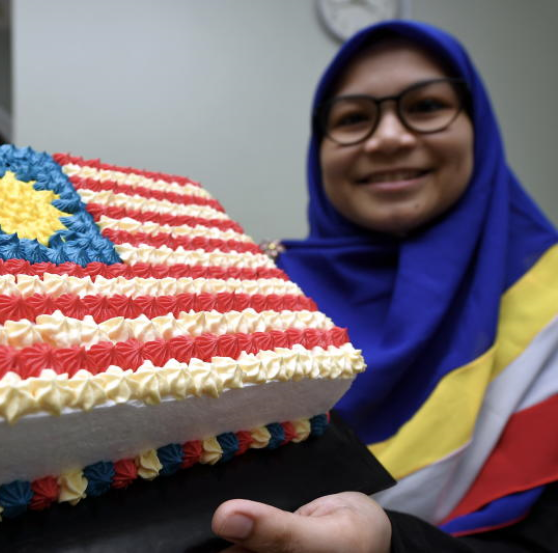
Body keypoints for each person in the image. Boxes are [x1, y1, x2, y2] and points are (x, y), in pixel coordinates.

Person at [212, 20, 558, 552]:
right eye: (353, 118)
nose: (389, 137)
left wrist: (392, 545)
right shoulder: (255, 293)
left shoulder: (548, 302)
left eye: (426, 107)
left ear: (479, 128)